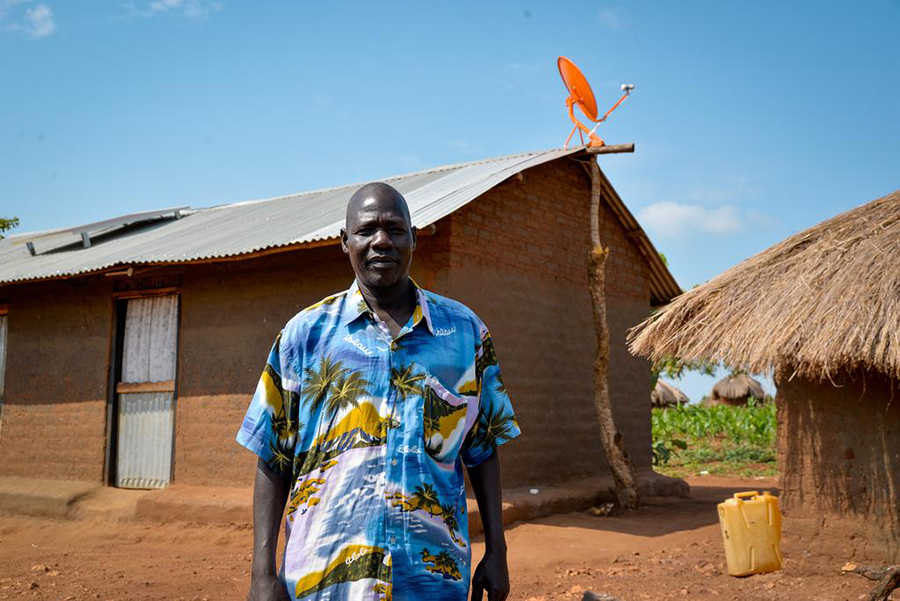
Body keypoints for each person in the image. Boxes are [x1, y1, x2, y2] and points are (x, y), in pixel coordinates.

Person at [237, 182, 521, 601]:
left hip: (432, 579)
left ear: (414, 238)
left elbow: (483, 449)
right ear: (345, 242)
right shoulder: (304, 336)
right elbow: (272, 455)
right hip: (324, 581)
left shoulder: (464, 334)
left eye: (395, 228)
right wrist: (262, 572)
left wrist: (498, 551)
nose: (381, 241)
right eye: (367, 230)